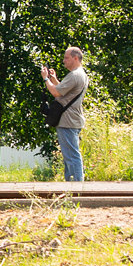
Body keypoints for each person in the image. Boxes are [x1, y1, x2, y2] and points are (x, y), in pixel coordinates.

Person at [40, 47, 89, 185]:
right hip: (73, 120)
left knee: (72, 156)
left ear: (75, 58)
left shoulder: (74, 75)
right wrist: (54, 79)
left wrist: (45, 79)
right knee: (69, 157)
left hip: (68, 121)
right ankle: (71, 184)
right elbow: (64, 90)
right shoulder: (81, 74)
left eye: (66, 58)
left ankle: (77, 187)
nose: (63, 61)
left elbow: (56, 93)